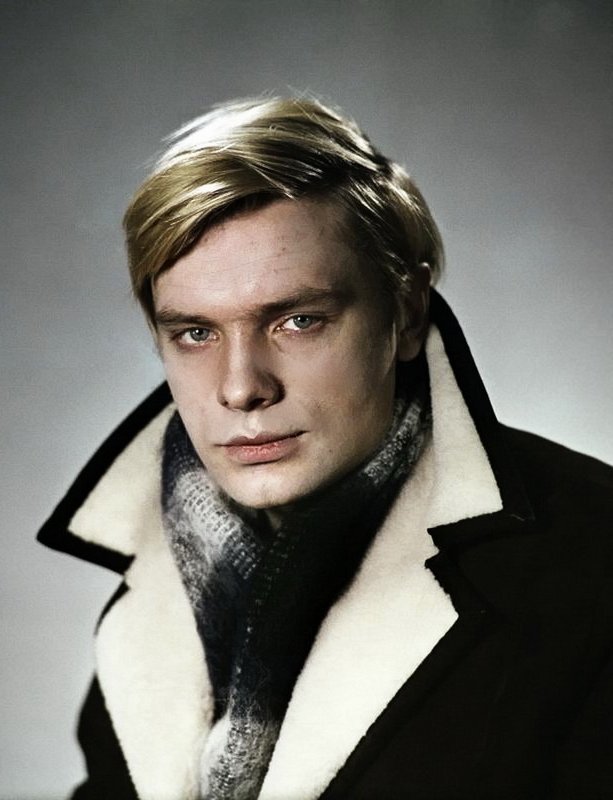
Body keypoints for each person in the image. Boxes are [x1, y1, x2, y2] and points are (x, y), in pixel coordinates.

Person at [38, 97, 613, 799]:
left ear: (406, 314)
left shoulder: (592, 559)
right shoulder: (166, 576)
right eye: (195, 333)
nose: (241, 388)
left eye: (298, 321)